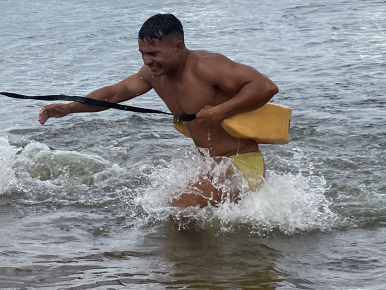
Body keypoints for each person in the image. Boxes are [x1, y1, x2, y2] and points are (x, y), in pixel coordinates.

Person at [38, 13, 279, 209]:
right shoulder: (154, 75)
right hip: (208, 163)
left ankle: (188, 268)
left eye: (153, 53)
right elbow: (113, 94)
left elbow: (265, 87)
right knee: (164, 206)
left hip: (241, 163)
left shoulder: (208, 65)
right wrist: (69, 108)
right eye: (142, 53)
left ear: (178, 46)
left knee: (181, 207)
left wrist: (221, 111)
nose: (146, 60)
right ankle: (197, 266)